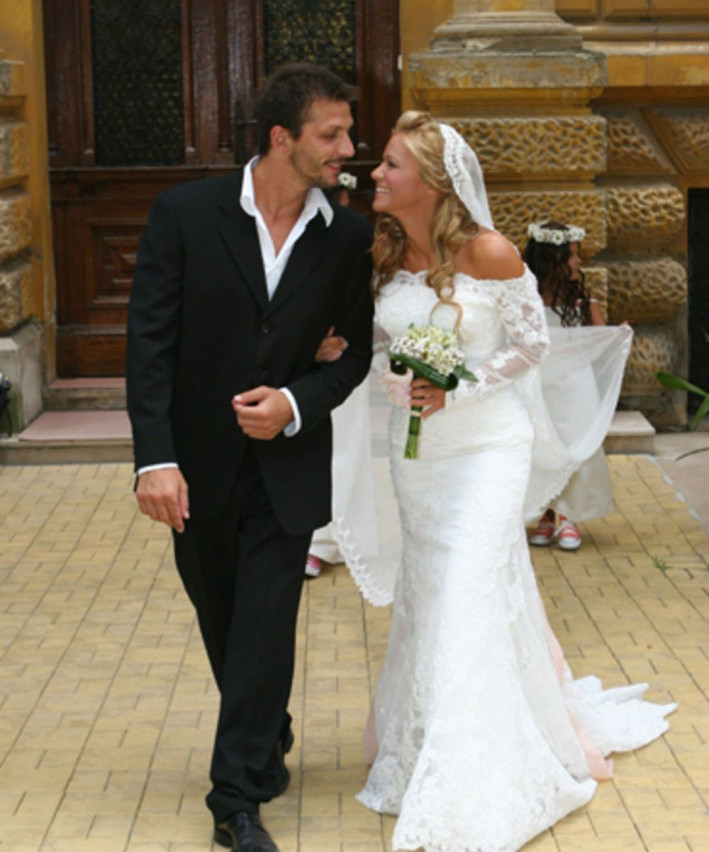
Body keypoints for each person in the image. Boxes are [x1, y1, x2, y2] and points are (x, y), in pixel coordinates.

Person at [352, 111, 675, 852]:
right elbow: (380, 344)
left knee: (465, 587)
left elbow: (532, 344)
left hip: (487, 449)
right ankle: (432, 739)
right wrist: (389, 373)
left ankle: (475, 779)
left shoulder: (490, 251)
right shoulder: (384, 253)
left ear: (433, 182)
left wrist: (455, 388)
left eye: (392, 164)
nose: (377, 173)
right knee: (433, 594)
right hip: (418, 458)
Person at [126, 63, 373, 852]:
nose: (348, 148)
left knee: (265, 625)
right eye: (331, 134)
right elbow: (149, 346)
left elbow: (353, 353)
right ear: (280, 138)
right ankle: (265, 732)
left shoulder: (347, 237)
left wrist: (295, 402)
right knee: (226, 620)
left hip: (285, 471)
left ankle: (234, 801)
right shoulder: (184, 214)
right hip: (195, 470)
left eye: (347, 133)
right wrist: (154, 460)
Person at [524, 221, 632, 551]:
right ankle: (546, 513)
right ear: (550, 260)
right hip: (541, 385)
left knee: (574, 446)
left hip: (574, 385)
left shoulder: (582, 300)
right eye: (571, 256)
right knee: (541, 447)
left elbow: (597, 339)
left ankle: (569, 516)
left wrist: (617, 335)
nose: (578, 262)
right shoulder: (526, 299)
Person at [306, 172, 380, 580]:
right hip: (305, 366)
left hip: (346, 361)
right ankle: (310, 537)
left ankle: (332, 538)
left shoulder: (357, 241)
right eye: (341, 203)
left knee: (346, 450)